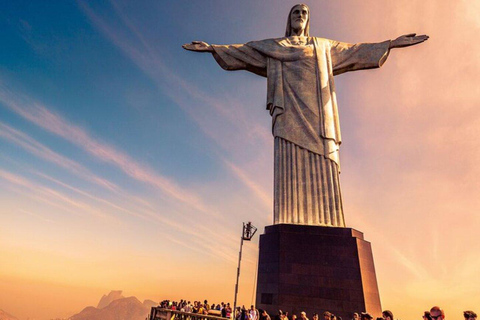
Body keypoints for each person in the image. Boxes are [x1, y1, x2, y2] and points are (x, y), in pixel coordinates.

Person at [183, 4, 428, 227]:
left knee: (324, 162)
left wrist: (390, 44)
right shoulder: (274, 47)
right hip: (288, 112)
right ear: (289, 20)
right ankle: (290, 218)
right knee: (289, 162)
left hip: (319, 116)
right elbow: (244, 51)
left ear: (308, 20)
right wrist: (211, 48)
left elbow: (356, 51)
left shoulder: (323, 46)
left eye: (304, 13)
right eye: (295, 12)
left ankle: (329, 222)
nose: (300, 16)